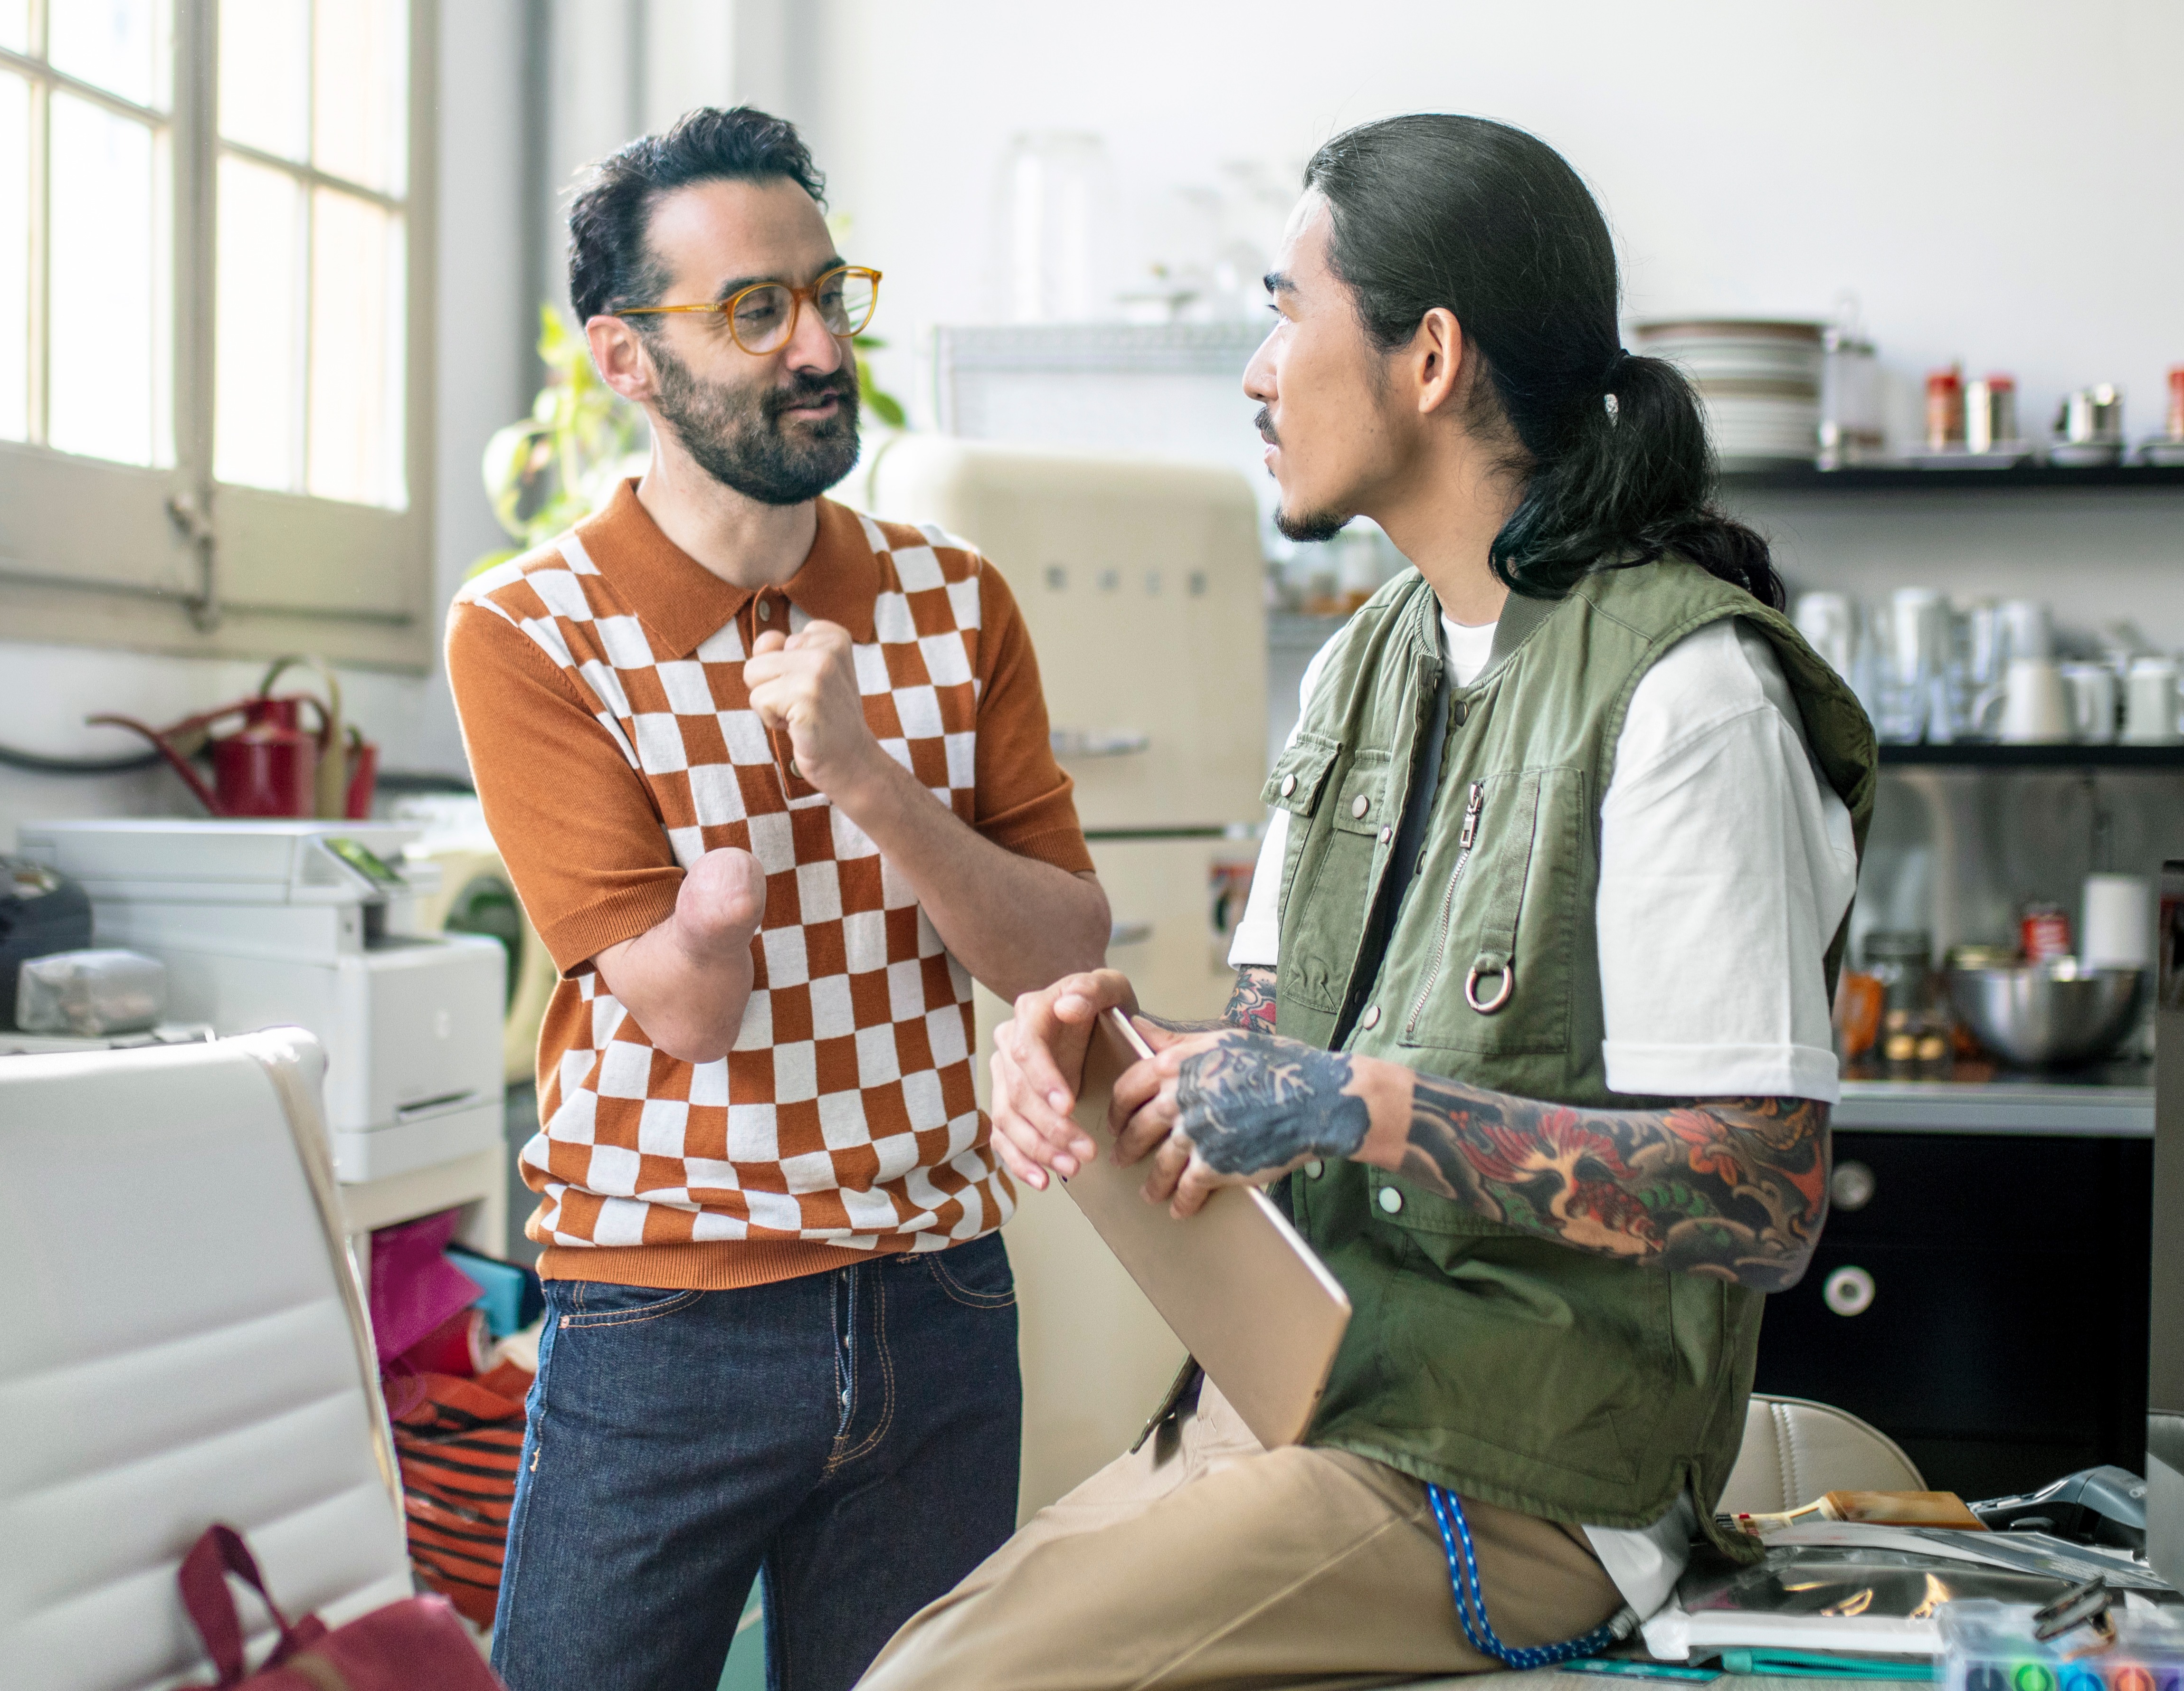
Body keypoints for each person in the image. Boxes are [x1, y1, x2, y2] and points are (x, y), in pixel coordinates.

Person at [855, 114, 1878, 1690]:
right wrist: (1105, 1045)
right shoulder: (1368, 659)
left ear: (1428, 357)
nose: (1258, 372)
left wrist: (1368, 1110)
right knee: (905, 1657)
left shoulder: (1693, 696)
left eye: (1287, 309)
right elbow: (1277, 1063)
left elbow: (1759, 1195)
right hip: (1311, 1397)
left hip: (1527, 1480)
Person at [448, 107, 1111, 1691]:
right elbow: (682, 1007)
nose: (818, 347)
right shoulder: (530, 630)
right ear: (623, 359)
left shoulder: (957, 603)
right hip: (664, 1325)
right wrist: (719, 908)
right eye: (756, 310)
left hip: (936, 1303)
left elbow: (1062, 946)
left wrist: (868, 783)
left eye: (829, 294)